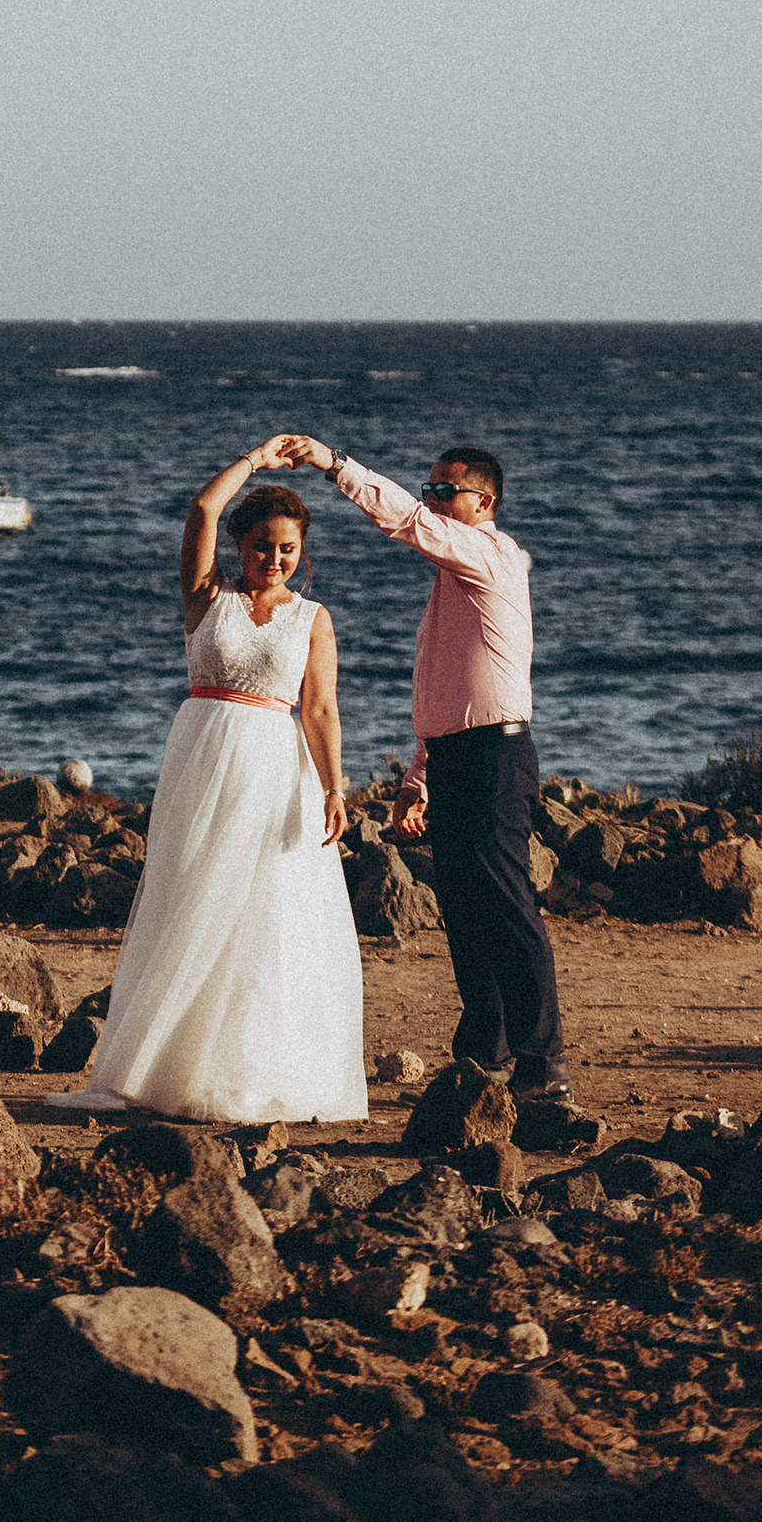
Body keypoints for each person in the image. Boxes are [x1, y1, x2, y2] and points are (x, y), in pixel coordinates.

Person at [69, 444, 367, 1127]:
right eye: (263, 545)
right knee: (192, 898)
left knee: (267, 912)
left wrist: (333, 788)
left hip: (273, 764)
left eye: (287, 548)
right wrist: (257, 459)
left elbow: (320, 708)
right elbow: (203, 506)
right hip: (204, 758)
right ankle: (170, 1067)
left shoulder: (311, 619)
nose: (275, 558)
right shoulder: (208, 599)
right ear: (240, 544)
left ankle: (252, 1066)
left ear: (302, 551)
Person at [273, 431, 568, 1103]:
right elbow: (447, 693)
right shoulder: (453, 575)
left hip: (497, 756)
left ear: (483, 503)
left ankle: (542, 1067)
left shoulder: (488, 554)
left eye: (444, 491)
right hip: (459, 755)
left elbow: (401, 518)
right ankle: (483, 1060)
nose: (431, 501)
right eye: (429, 489)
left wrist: (334, 464)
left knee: (507, 904)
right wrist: (417, 780)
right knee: (466, 910)